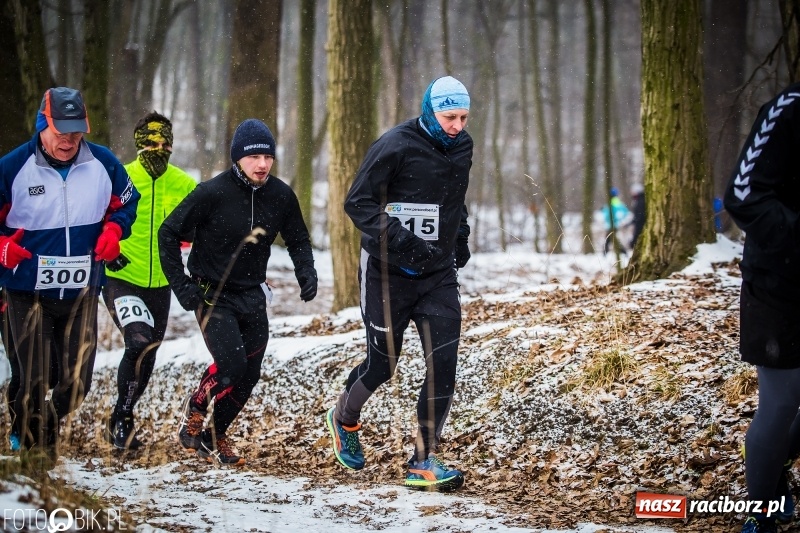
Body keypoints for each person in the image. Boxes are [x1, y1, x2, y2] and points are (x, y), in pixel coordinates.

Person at [324, 76, 472, 492]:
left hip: (437, 276)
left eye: (463, 117)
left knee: (443, 366)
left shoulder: (463, 147)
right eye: (448, 117)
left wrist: (460, 234)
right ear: (429, 111)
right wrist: (404, 241)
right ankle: (344, 417)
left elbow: (455, 197)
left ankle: (423, 460)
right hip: (387, 274)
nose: (457, 126)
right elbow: (358, 203)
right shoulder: (395, 145)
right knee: (383, 365)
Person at [159, 118, 317, 466]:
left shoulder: (280, 195)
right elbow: (167, 234)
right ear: (237, 158)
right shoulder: (211, 192)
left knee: (250, 373)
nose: (262, 164)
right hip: (211, 294)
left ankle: (216, 435)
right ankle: (196, 407)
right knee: (230, 365)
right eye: (254, 157)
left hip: (252, 294)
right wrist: (182, 285)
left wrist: (306, 271)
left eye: (268, 156)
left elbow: (299, 239)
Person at [0, 87, 139, 464]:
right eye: (61, 133)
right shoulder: (12, 167)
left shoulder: (104, 163)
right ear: (43, 125)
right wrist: (3, 249)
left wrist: (114, 231)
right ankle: (34, 457)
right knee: (33, 377)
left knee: (77, 383)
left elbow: (128, 202)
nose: (69, 141)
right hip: (26, 291)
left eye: (77, 132)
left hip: (81, 290)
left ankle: (43, 422)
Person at [724, 83, 800, 533]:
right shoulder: (790, 109)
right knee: (782, 401)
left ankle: (774, 477)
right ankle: (763, 511)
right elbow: (743, 194)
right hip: (779, 283)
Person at [101, 112, 196, 450]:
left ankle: (118, 415)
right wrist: (107, 249)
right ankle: (123, 421)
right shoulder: (119, 178)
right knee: (138, 342)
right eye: (152, 142)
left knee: (150, 353)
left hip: (161, 284)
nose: (160, 148)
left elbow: (202, 225)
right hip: (121, 277)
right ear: (138, 143)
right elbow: (92, 218)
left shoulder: (184, 184)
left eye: (165, 142)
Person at [600, 187, 631, 254]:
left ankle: (605, 253)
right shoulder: (614, 201)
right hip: (613, 224)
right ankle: (623, 251)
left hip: (612, 224)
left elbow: (622, 211)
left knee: (609, 240)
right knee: (612, 239)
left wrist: (604, 210)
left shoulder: (614, 201)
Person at [629, 183, 645, 249]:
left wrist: (635, 221)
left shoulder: (640, 201)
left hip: (640, 225)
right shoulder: (639, 200)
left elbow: (640, 216)